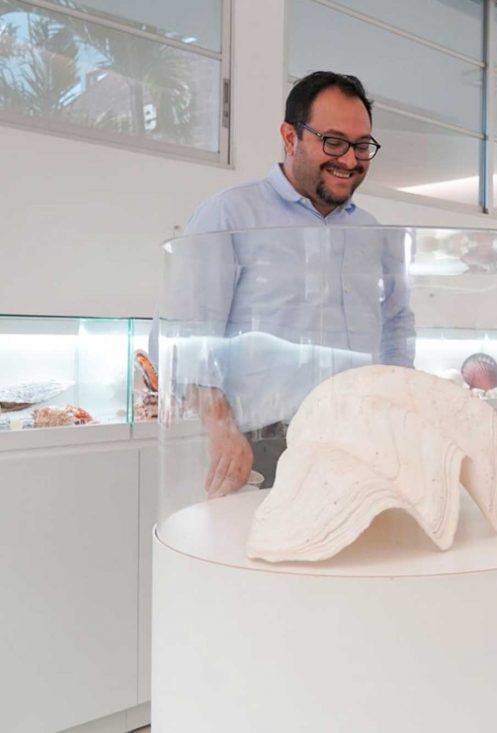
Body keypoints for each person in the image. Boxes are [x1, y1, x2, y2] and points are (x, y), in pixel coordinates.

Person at [163, 71, 413, 496]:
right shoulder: (229, 216)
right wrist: (223, 431)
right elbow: (187, 338)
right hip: (261, 448)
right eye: (333, 141)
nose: (350, 160)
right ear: (289, 136)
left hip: (363, 442)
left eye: (361, 146)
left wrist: (402, 410)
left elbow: (397, 325)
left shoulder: (372, 233)